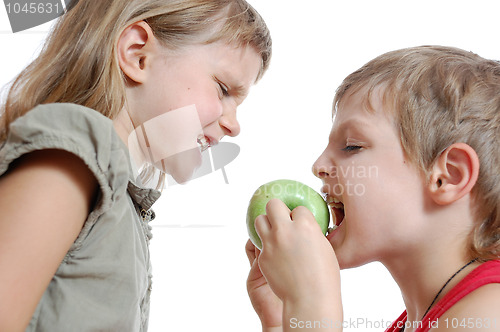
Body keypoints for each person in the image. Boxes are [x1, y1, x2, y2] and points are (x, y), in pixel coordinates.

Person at [0, 0, 271, 330]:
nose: (234, 125)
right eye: (223, 89)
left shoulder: (118, 198)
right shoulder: (79, 153)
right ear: (137, 54)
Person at [246, 45, 500, 331]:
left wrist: (311, 305)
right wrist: (282, 322)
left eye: (352, 146)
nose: (318, 165)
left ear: (448, 176)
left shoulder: (488, 315)